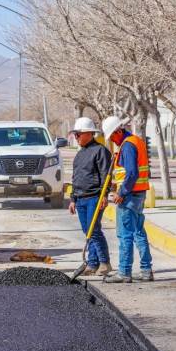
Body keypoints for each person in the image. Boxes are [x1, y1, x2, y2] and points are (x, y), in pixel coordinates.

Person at [101, 116, 154, 283]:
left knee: (125, 234)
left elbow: (131, 173)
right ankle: (146, 270)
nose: (112, 140)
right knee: (139, 232)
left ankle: (124, 271)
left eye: (112, 136)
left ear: (118, 131)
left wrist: (121, 192)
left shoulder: (128, 145)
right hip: (138, 193)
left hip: (129, 196)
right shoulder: (135, 141)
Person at [68, 117, 112, 276]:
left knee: (94, 231)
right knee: (88, 231)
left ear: (89, 133)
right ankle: (93, 263)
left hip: (94, 197)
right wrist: (73, 199)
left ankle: (105, 262)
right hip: (80, 198)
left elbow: (106, 175)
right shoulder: (79, 154)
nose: (76, 137)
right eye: (75, 134)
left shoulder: (100, 151)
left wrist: (104, 195)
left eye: (78, 134)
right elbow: (75, 178)